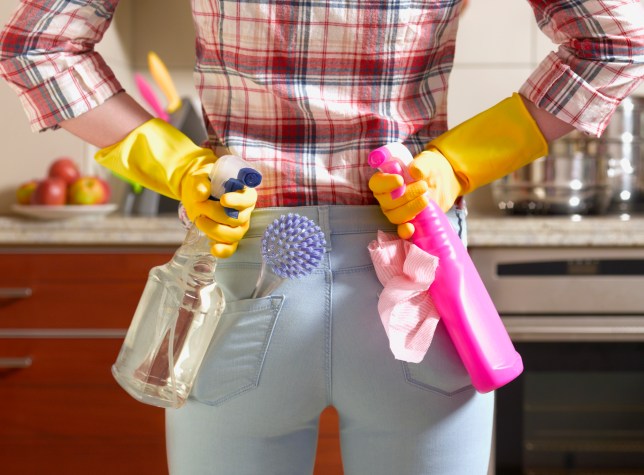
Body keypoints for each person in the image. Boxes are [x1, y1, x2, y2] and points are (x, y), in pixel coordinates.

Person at [1, 1, 642, 473]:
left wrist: (180, 165)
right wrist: (454, 162)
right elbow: (615, 44)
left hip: (243, 277)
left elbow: (37, 47)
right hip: (413, 280)